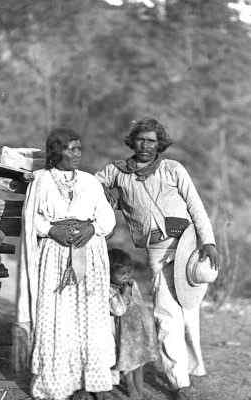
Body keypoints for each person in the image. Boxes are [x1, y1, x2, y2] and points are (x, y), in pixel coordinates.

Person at [96, 118, 219, 400]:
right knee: (166, 314)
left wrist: (208, 242)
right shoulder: (119, 172)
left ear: (159, 143)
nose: (146, 146)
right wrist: (107, 193)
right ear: (132, 141)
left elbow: (196, 206)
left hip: (188, 245)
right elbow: (91, 183)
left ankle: (191, 370)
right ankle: (179, 384)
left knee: (188, 311)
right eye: (141, 140)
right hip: (157, 249)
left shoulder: (173, 169)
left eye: (152, 141)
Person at [17, 128, 116, 400]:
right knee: (58, 317)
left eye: (79, 148)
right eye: (71, 148)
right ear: (55, 152)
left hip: (89, 255)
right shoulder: (41, 181)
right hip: (55, 258)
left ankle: (94, 383)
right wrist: (51, 230)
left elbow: (108, 220)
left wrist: (91, 228)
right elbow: (30, 219)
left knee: (91, 317)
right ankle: (61, 385)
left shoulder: (90, 182)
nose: (77, 154)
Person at [108, 248, 157, 400]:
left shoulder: (131, 284)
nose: (126, 276)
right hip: (121, 333)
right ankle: (131, 388)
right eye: (122, 273)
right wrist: (124, 293)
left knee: (139, 361)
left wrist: (147, 324)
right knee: (127, 363)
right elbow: (118, 310)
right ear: (109, 272)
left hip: (136, 330)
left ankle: (140, 391)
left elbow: (139, 304)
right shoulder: (110, 290)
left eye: (129, 272)